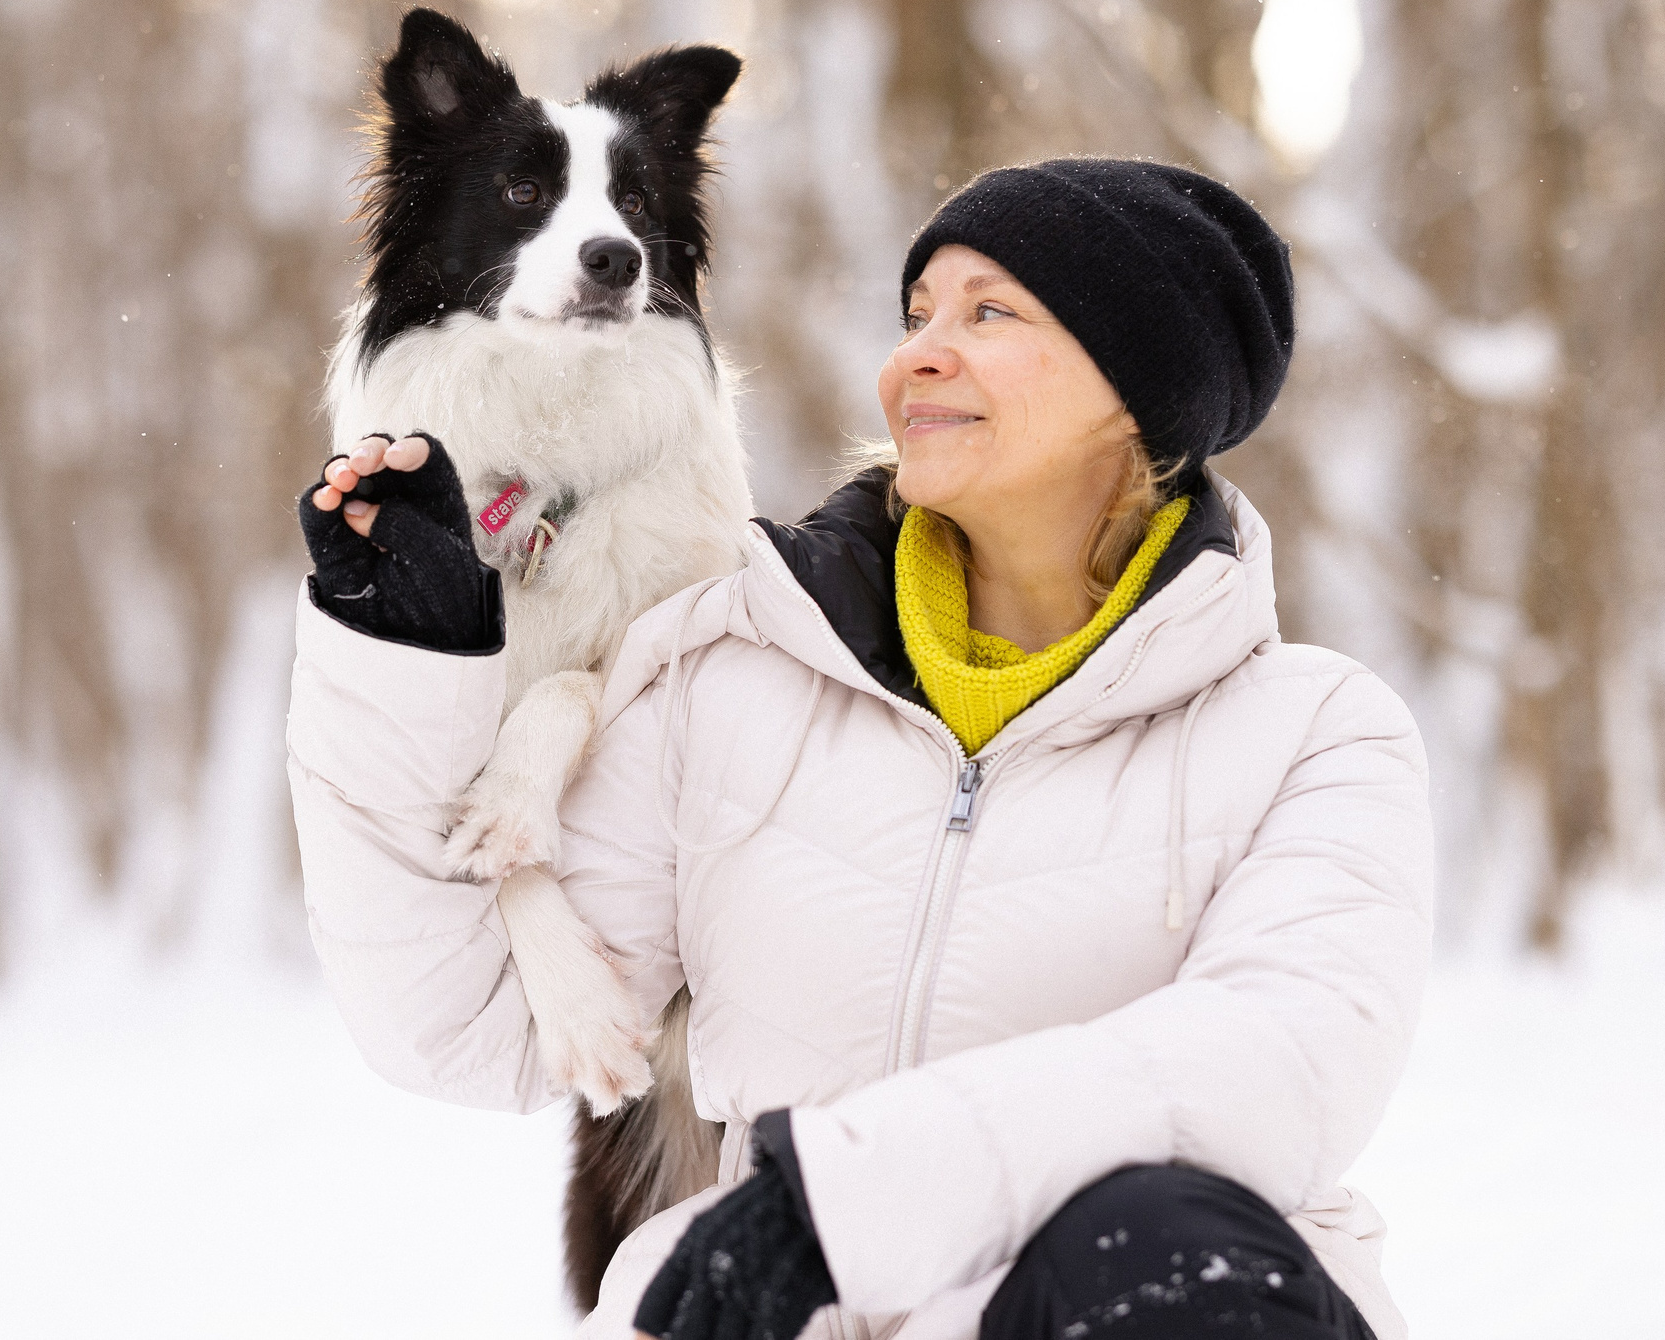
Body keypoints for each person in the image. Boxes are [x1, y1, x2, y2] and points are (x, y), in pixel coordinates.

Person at [288, 158, 1433, 1340]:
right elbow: (470, 1028)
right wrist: (405, 656)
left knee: (1165, 1242)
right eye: (916, 314)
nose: (917, 355)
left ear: (1139, 388)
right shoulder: (726, 668)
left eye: (989, 313)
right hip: (765, 1319)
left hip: (1116, 1315)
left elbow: (1271, 1068)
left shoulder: (1313, 734)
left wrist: (846, 1200)